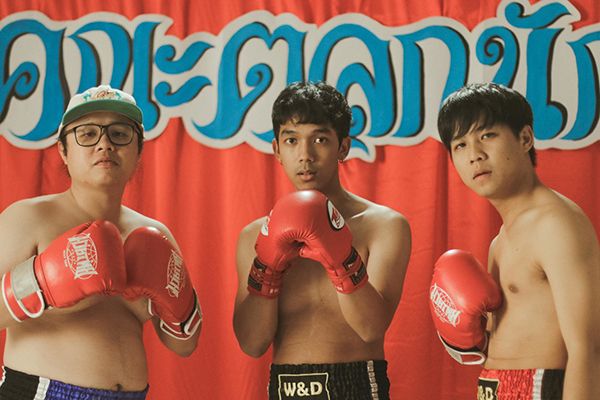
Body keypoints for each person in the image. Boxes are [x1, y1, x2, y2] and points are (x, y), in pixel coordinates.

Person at [0, 85, 202, 399]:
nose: (105, 144)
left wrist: (177, 305)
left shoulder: (154, 233)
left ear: (138, 151)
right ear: (64, 151)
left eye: (119, 134)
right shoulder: (28, 218)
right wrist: (41, 282)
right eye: (87, 134)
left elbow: (185, 345)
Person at [233, 81, 411, 399]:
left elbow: (370, 328)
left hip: (356, 386)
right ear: (277, 149)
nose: (305, 155)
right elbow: (251, 343)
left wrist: (341, 259)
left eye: (320, 139)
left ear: (343, 147)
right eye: (291, 140)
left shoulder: (384, 226)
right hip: (284, 388)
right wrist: (267, 270)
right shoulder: (254, 236)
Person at [430, 82, 600, 399]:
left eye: (486, 136)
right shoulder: (501, 239)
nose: (475, 155)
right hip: (495, 388)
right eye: (460, 145)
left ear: (524, 138)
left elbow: (589, 348)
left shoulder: (555, 223)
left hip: (540, 386)